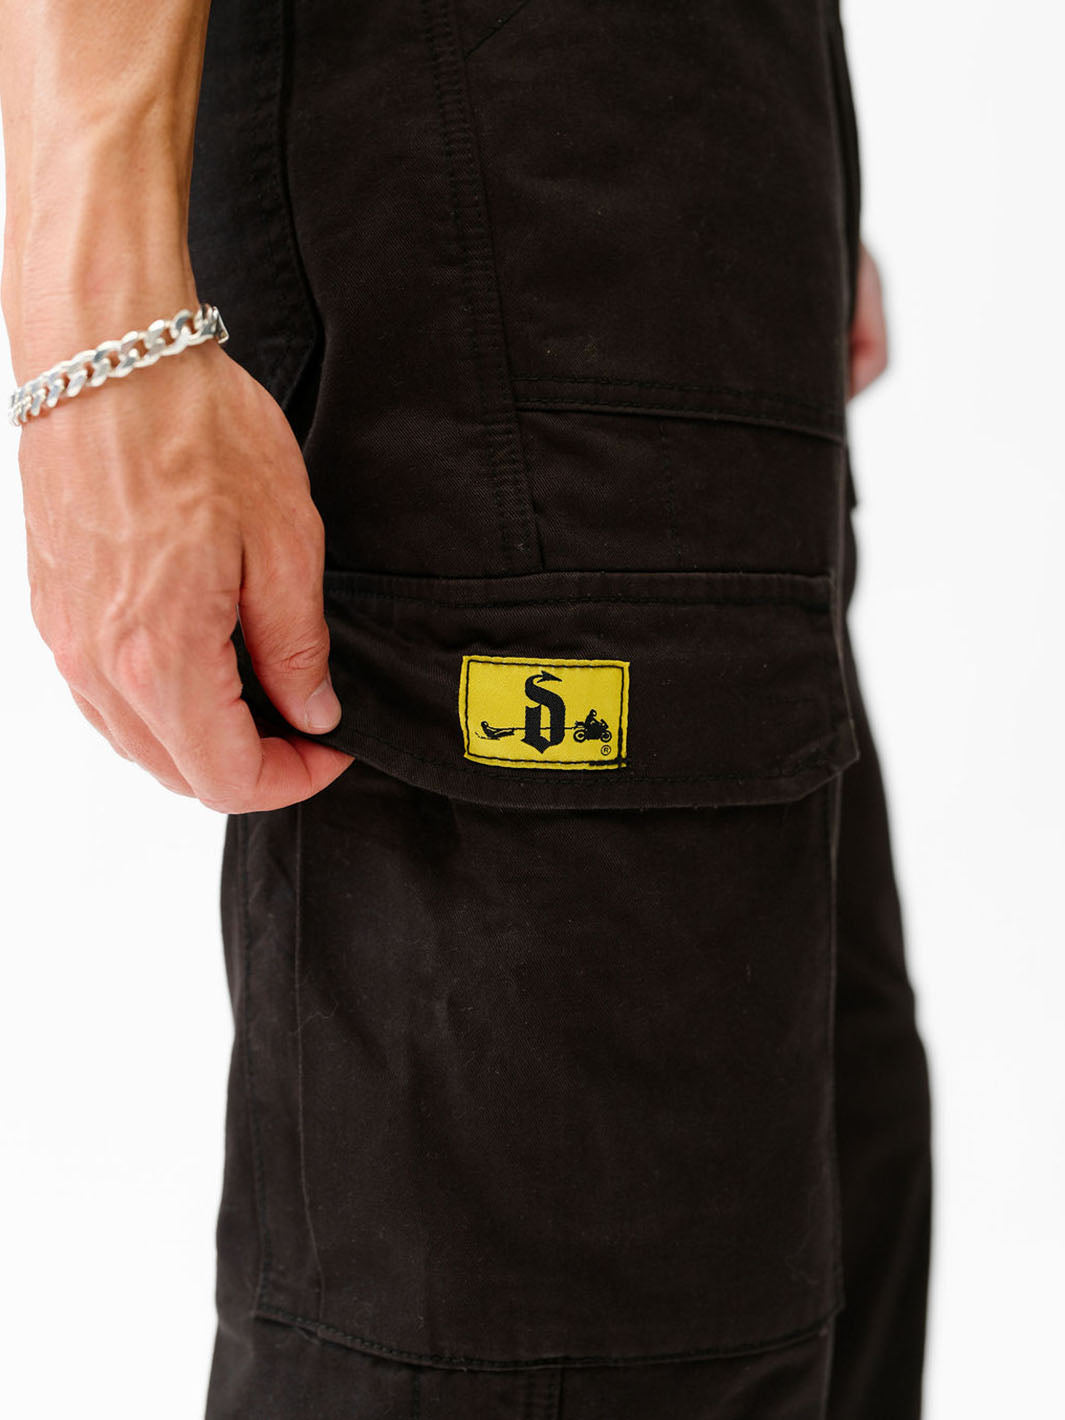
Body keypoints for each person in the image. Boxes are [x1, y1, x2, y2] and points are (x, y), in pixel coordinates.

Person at [1, 2, 931, 1416]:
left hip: (680, 149)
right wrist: (99, 314)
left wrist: (767, 164)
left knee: (797, 1217)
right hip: (491, 160)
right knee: (562, 1320)